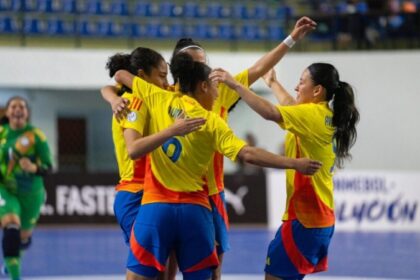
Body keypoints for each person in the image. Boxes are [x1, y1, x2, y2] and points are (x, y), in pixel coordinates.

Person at [114, 52, 322, 280]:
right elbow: (249, 154)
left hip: (155, 209)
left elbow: (122, 74)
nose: (217, 95)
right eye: (214, 88)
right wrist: (294, 163)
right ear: (203, 86)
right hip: (195, 213)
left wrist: (114, 99)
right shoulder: (211, 121)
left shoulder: (157, 96)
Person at [166, 17, 316, 280]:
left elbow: (259, 68)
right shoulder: (165, 95)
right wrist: (111, 96)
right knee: (169, 263)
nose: (205, 68)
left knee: (213, 267)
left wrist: (291, 38)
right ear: (181, 68)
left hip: (212, 194)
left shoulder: (218, 90)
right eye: (198, 64)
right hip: (172, 193)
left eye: (205, 62)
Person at [210, 52, 359, 279]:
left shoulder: (312, 115)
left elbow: (271, 113)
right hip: (319, 218)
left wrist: (235, 85)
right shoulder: (324, 115)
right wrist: (272, 82)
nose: (297, 87)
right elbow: (290, 106)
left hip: (305, 219)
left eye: (302, 82)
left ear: (317, 91)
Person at [102, 47, 202, 280]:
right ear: (142, 76)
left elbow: (112, 84)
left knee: (166, 265)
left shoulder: (153, 99)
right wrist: (172, 130)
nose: (166, 82)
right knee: (144, 272)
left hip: (156, 195)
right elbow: (134, 149)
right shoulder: (134, 103)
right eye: (161, 75)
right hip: (136, 192)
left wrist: (110, 95)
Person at [0, 96, 53, 280]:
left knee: (22, 239)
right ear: (7, 113)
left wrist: (34, 168)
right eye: (13, 106)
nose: (17, 109)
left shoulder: (36, 136)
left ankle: (12, 260)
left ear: (27, 113)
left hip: (32, 193)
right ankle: (15, 275)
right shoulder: (1, 133)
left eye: (22, 106)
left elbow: (49, 167)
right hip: (5, 190)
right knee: (11, 227)